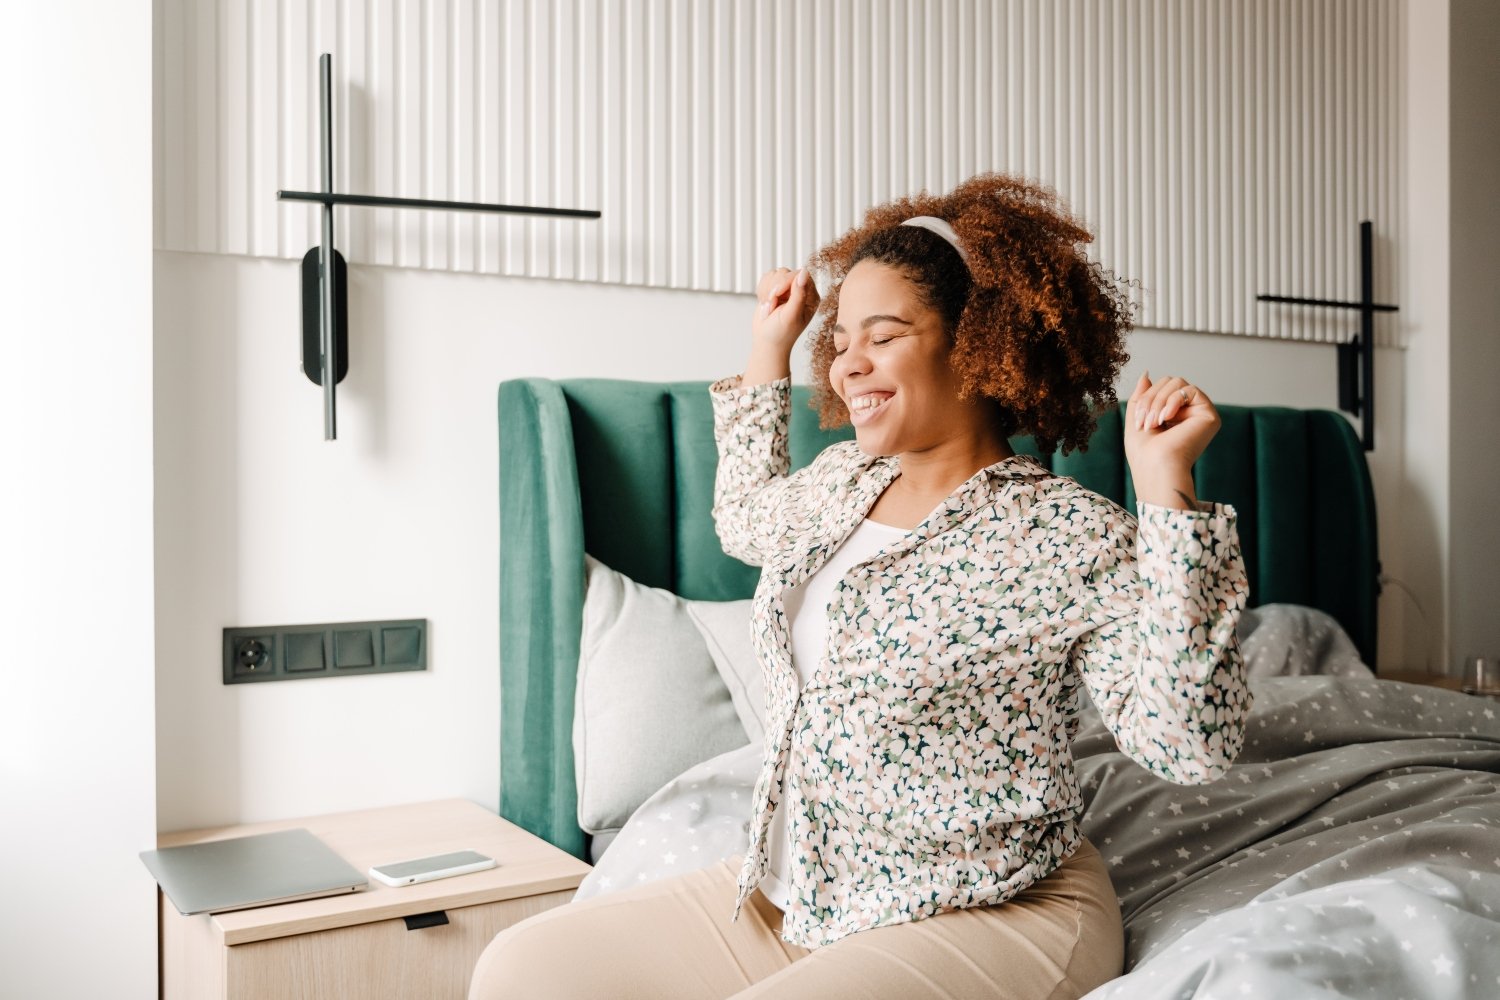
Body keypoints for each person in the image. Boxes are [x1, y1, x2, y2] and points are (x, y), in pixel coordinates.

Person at [467, 172, 1251, 999]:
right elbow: (742, 522)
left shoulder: (1067, 533)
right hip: (801, 894)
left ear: (980, 342)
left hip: (992, 912)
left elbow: (1189, 747)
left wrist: (1168, 496)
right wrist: (771, 349)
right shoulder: (841, 481)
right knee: (520, 970)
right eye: (839, 343)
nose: (848, 366)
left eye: (883, 334)